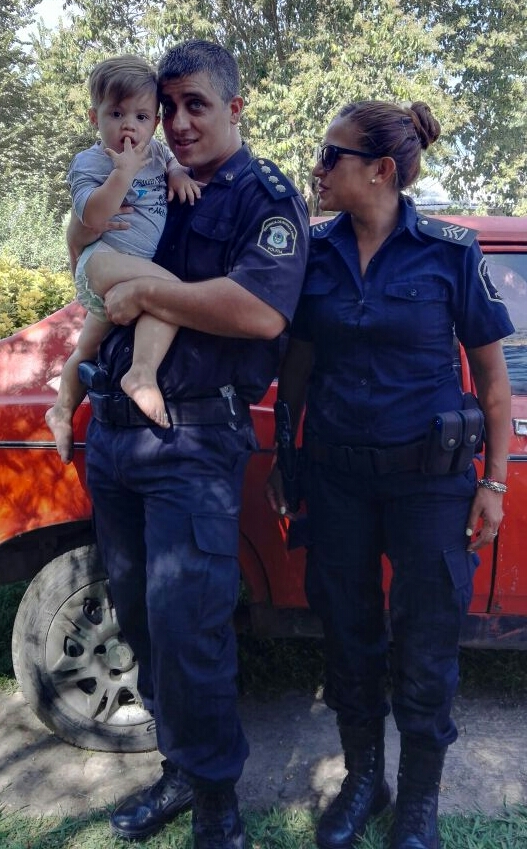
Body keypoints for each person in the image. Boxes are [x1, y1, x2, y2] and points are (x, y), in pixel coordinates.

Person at [68, 40, 309, 848]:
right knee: (139, 618)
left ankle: (217, 807)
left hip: (195, 440)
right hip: (116, 437)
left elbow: (260, 312)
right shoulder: (141, 169)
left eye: (194, 104)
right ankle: (179, 771)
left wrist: (143, 290)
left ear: (236, 108)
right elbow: (85, 254)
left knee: (190, 628)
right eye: (165, 105)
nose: (174, 121)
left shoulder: (260, 196)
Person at [266, 100, 514, 849]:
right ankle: (363, 779)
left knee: (427, 638)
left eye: (328, 153)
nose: (317, 166)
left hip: (429, 485)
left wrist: (492, 481)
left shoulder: (448, 251)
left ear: (377, 168)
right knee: (348, 633)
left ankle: (418, 801)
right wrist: (286, 458)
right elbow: (298, 366)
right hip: (337, 477)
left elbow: (493, 382)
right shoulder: (314, 249)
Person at [46, 55, 201, 463]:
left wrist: (178, 174)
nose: (128, 125)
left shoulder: (156, 154)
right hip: (103, 262)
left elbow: (170, 161)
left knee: (86, 350)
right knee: (173, 293)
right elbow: (92, 217)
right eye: (116, 113)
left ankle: (60, 410)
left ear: (155, 122)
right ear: (94, 117)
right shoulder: (91, 162)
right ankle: (142, 375)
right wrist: (123, 174)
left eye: (141, 116)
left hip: (123, 280)